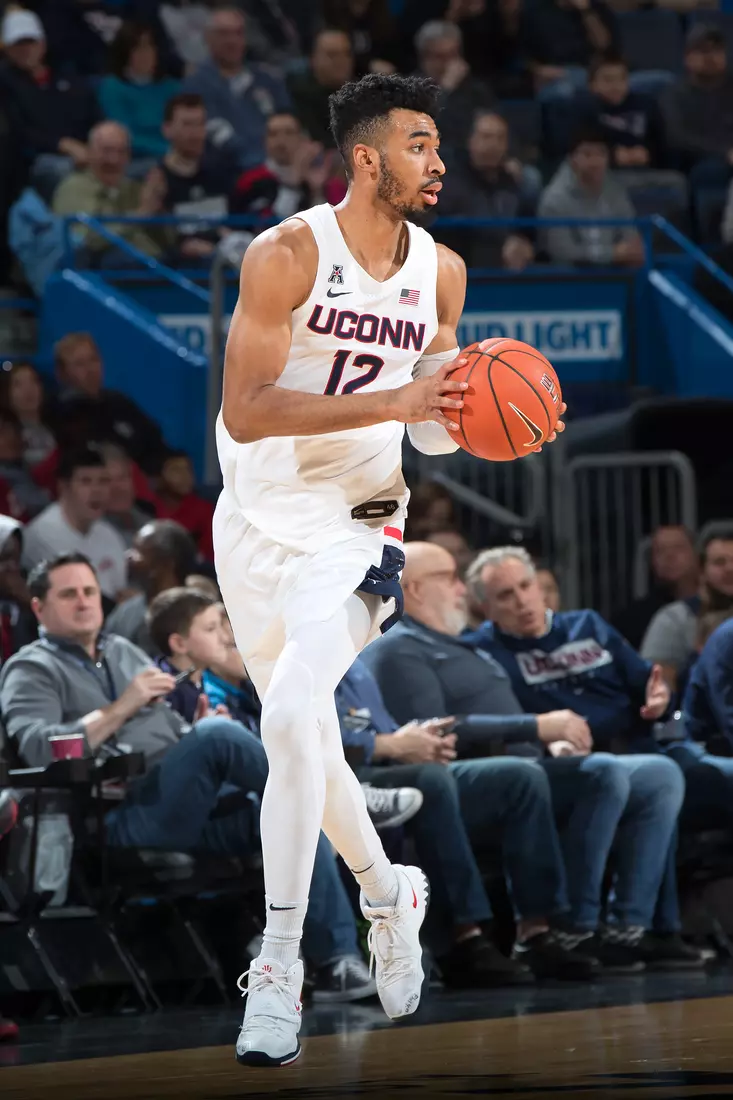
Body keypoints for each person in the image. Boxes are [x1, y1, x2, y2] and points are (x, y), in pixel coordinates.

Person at [214, 70, 567, 1066]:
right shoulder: (284, 255)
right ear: (365, 156)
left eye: (438, 144)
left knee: (287, 716)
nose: (439, 161)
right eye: (419, 143)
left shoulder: (442, 272)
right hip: (251, 522)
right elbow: (245, 410)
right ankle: (386, 888)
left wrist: (499, 416)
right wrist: (401, 403)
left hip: (359, 524)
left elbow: (442, 422)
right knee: (305, 737)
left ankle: (276, 962)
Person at [0, 551, 380, 1005]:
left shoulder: (119, 649)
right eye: (68, 594)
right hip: (118, 816)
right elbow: (39, 748)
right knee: (218, 735)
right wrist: (126, 705)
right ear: (39, 608)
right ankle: (346, 800)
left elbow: (164, 727)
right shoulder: (30, 668)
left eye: (88, 591)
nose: (84, 602)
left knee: (294, 819)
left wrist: (188, 726)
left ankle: (340, 963)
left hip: (188, 801)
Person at [371, 542, 696, 970]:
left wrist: (548, 741)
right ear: (412, 589)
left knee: (660, 773)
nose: (460, 589)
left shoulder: (457, 643)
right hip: (480, 775)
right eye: (449, 577)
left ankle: (628, 926)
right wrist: (537, 728)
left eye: (526, 586)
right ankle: (574, 925)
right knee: (602, 773)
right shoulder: (403, 647)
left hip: (533, 759)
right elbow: (435, 727)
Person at [337, 657, 598, 985]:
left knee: (521, 778)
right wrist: (391, 745)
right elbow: (309, 739)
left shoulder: (355, 662)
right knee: (432, 781)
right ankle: (465, 937)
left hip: (393, 763)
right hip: (349, 776)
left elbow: (390, 731)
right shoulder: (298, 653)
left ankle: (535, 932)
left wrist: (422, 741)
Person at [149, 585, 424, 833]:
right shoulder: (166, 686)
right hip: (197, 806)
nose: (225, 638)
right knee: (300, 817)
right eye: (212, 629)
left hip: (243, 790)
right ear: (179, 644)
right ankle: (338, 795)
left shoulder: (207, 683)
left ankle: (338, 796)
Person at [0, 8, 100, 203]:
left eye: (30, 42)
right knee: (59, 169)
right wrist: (62, 145)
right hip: (36, 161)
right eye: (18, 44)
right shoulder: (6, 84)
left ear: (42, 44)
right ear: (8, 50)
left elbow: (94, 114)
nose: (25, 49)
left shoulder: (68, 78)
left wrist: (95, 147)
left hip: (85, 152)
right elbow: (18, 132)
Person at [182, 5, 291, 169]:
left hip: (280, 165)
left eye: (238, 33)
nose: (232, 41)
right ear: (207, 38)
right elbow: (217, 135)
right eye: (224, 34)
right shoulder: (195, 86)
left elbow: (289, 123)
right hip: (228, 171)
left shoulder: (268, 79)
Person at [52, 121, 168, 264]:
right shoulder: (74, 187)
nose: (114, 159)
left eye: (121, 152)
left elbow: (167, 241)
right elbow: (87, 240)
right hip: (105, 274)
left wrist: (159, 206)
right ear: (90, 152)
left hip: (156, 267)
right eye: (106, 151)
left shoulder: (135, 188)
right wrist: (140, 215)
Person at [51, 332, 167, 475]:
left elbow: (155, 441)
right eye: (79, 364)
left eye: (94, 360)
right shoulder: (60, 413)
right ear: (62, 374)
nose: (91, 370)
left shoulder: (118, 401)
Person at [22, 448, 128, 602]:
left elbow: (120, 590)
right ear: (64, 487)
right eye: (86, 481)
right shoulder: (41, 536)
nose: (96, 490)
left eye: (103, 481)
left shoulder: (109, 533)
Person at [435, 109, 536, 270]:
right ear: (470, 140)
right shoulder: (449, 183)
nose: (493, 145)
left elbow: (524, 226)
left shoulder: (510, 182)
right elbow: (456, 239)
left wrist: (522, 244)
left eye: (500, 138)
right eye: (486, 137)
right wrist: (499, 251)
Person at [641, 526, 733, 688]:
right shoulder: (674, 619)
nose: (730, 569)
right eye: (720, 562)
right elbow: (658, 687)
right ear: (702, 570)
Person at [538, 127, 644, 267]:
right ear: (572, 159)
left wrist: (629, 252)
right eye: (587, 155)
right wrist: (612, 254)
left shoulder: (616, 191)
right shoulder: (554, 198)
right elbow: (562, 252)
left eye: (601, 154)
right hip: (568, 280)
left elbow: (632, 241)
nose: (595, 162)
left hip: (614, 276)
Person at [159, 92, 239, 263]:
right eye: (187, 125)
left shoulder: (222, 172)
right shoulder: (156, 180)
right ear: (167, 129)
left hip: (225, 264)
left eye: (200, 124)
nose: (195, 133)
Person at [105, 519, 198, 654]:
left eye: (138, 552)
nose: (128, 556)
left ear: (164, 564)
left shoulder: (197, 614)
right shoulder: (125, 612)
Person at [661, 24, 733, 187]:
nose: (711, 57)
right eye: (703, 51)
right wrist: (724, 153)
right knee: (711, 171)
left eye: (717, 51)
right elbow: (677, 138)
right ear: (687, 57)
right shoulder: (674, 94)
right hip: (701, 161)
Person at [98, 21, 181, 162]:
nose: (146, 54)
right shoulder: (113, 88)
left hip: (177, 156)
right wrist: (167, 151)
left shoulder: (173, 87)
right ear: (125, 53)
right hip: (136, 161)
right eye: (138, 48)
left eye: (150, 47)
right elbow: (124, 137)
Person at [232, 112, 335, 220]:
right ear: (264, 141)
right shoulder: (250, 181)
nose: (281, 141)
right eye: (273, 134)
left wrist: (316, 191)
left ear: (303, 138)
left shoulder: (322, 178)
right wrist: (293, 182)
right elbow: (269, 227)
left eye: (289, 133)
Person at [613, 525, 700, 652]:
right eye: (660, 551)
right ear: (652, 562)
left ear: (698, 555)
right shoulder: (632, 619)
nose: (669, 556)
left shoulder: (719, 606)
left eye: (678, 548)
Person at [413, 21, 494, 151]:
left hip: (474, 157)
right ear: (425, 59)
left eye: (453, 55)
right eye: (441, 57)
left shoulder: (476, 89)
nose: (449, 63)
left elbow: (496, 122)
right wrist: (445, 90)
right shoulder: (410, 90)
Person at [581, 54, 666, 171]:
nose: (616, 86)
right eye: (608, 80)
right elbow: (579, 151)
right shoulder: (584, 109)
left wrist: (648, 153)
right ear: (592, 84)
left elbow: (664, 144)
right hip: (606, 174)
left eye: (622, 79)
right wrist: (612, 155)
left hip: (647, 172)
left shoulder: (647, 104)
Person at [522, 0, 617, 91]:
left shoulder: (597, 9)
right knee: (564, 90)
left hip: (591, 72)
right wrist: (539, 70)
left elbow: (604, 46)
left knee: (628, 82)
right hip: (555, 75)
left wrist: (585, 11)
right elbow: (524, 55)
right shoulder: (538, 12)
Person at [287, 29, 355, 148]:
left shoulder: (362, 94)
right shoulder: (298, 96)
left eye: (346, 54)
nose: (341, 60)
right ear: (313, 59)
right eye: (332, 55)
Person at [155, 450, 214, 560]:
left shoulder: (203, 509)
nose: (185, 476)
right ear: (159, 477)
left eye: (188, 469)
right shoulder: (148, 507)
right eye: (176, 470)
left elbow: (207, 555)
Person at [0, 362, 56, 468]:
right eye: (18, 384)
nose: (28, 389)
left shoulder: (57, 427)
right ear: (6, 392)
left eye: (33, 381)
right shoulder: (4, 435)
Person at [0, 410, 51, 520]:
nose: (11, 438)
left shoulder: (29, 465)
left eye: (15, 431)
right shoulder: (5, 476)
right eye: (2, 432)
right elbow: (37, 508)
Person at [0, 516, 39, 660]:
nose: (13, 568)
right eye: (4, 558)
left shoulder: (24, 599)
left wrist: (32, 604)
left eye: (16, 559)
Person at [101, 444, 152, 549]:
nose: (117, 487)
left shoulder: (150, 525)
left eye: (122, 478)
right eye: (107, 480)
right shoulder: (90, 533)